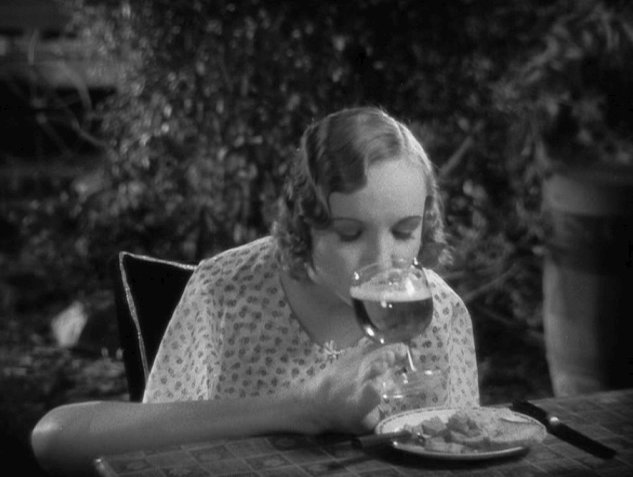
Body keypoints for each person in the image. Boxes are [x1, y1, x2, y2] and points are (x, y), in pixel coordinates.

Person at [31, 106, 479, 476]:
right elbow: (54, 440)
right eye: (349, 233)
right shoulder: (224, 292)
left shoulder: (438, 313)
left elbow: (473, 456)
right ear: (303, 225)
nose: (381, 259)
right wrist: (305, 407)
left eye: (404, 231)